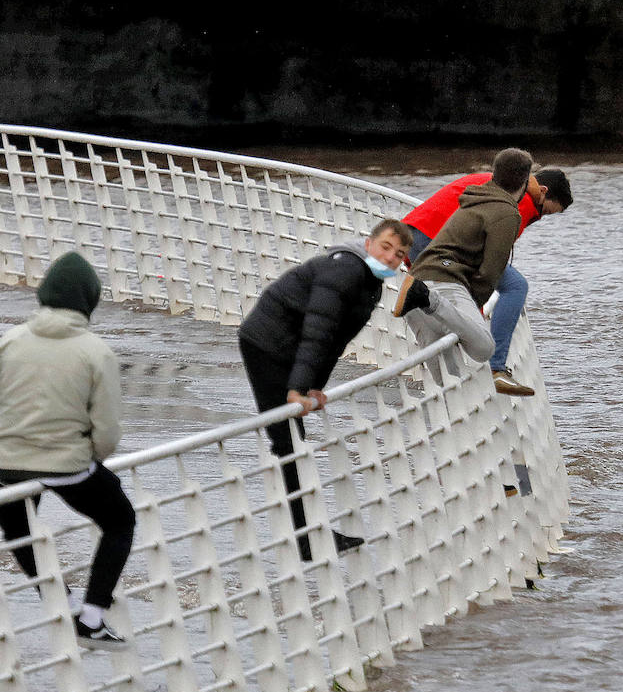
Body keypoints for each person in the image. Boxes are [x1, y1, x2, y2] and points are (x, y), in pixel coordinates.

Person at [0, 251, 136, 651]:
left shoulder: (9, 341)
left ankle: (61, 601)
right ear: (90, 300)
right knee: (119, 520)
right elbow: (107, 428)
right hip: (67, 464)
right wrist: (95, 459)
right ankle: (92, 616)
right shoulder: (95, 350)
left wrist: (3, 450)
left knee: (17, 529)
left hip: (7, 463)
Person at [238, 218, 413, 561]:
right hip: (266, 342)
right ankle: (306, 540)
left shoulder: (370, 284)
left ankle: (308, 533)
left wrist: (314, 386)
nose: (391, 258)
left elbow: (337, 340)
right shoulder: (345, 272)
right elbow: (318, 330)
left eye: (400, 254)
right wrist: (295, 390)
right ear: (369, 243)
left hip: (288, 346)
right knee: (287, 439)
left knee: (294, 439)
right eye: (386, 247)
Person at [403, 165, 573, 396]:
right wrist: (477, 312)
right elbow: (487, 263)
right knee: (515, 286)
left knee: (447, 323)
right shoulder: (521, 201)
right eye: (547, 212)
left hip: (415, 234)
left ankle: (450, 390)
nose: (541, 217)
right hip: (435, 242)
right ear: (542, 191)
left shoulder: (499, 180)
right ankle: (496, 370)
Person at [392, 147, 532, 376]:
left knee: (443, 371)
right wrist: (473, 311)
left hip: (417, 278)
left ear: (493, 173)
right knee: (484, 348)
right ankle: (427, 299)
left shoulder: (473, 197)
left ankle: (424, 297)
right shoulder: (507, 213)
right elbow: (490, 272)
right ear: (525, 181)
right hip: (442, 284)